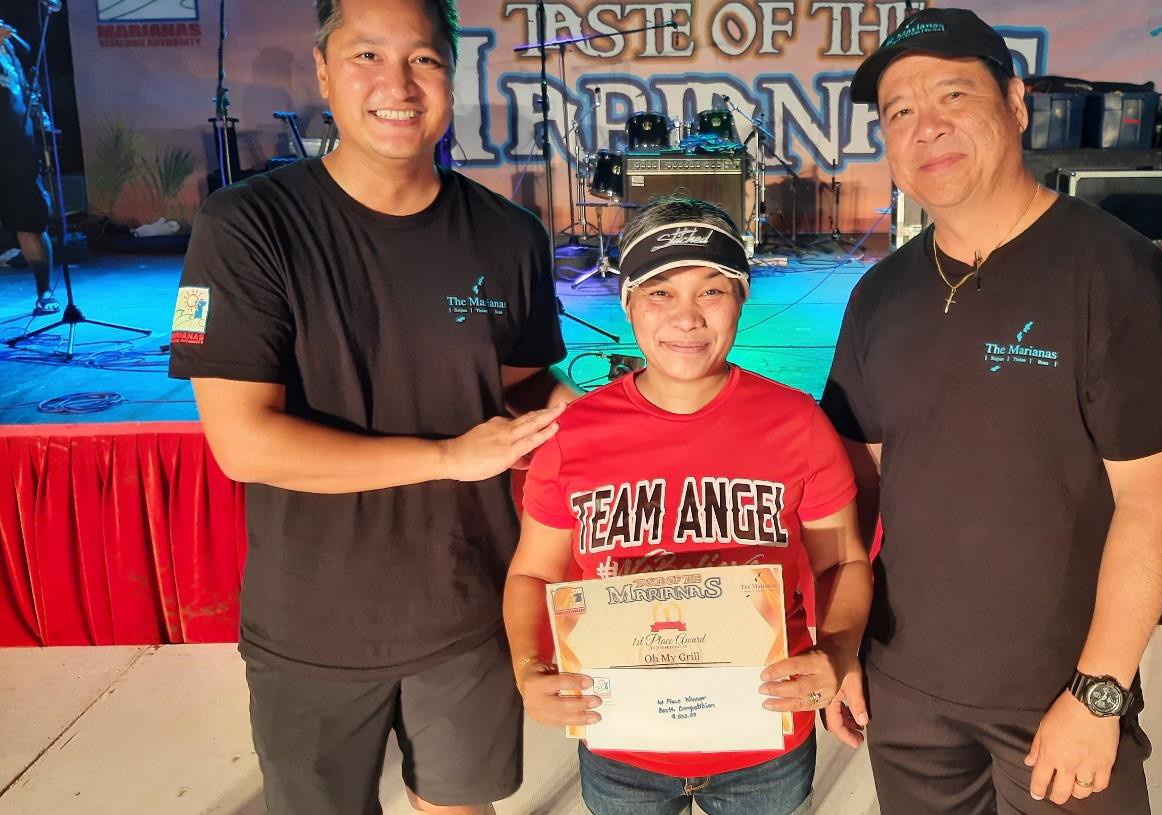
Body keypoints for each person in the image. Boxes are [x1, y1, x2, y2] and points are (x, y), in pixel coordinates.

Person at [167, 0, 572, 812]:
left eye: (422, 59)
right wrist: (448, 456)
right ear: (323, 69)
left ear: (450, 75)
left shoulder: (509, 234)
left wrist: (626, 421)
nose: (398, 83)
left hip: (468, 606)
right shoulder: (247, 226)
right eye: (366, 57)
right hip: (314, 622)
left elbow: (524, 386)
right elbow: (243, 444)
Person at [822, 7, 1162, 812]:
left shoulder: (1118, 275)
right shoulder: (878, 297)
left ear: (1017, 102)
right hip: (907, 694)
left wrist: (1098, 692)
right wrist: (841, 642)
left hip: (1056, 697)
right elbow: (851, 493)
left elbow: (1156, 502)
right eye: (899, 112)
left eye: (953, 96)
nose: (926, 127)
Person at [504, 195, 872, 815]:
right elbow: (532, 571)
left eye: (712, 291)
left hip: (766, 742)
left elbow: (844, 563)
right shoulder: (574, 433)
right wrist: (528, 668)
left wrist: (838, 650)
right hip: (623, 745)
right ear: (627, 303)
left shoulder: (797, 424)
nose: (687, 318)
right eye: (661, 292)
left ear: (743, 298)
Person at [0, 17, 55, 316]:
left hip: (16, 151)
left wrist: (39, 115)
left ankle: (44, 292)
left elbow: (23, 89)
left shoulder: (8, 48)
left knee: (30, 224)